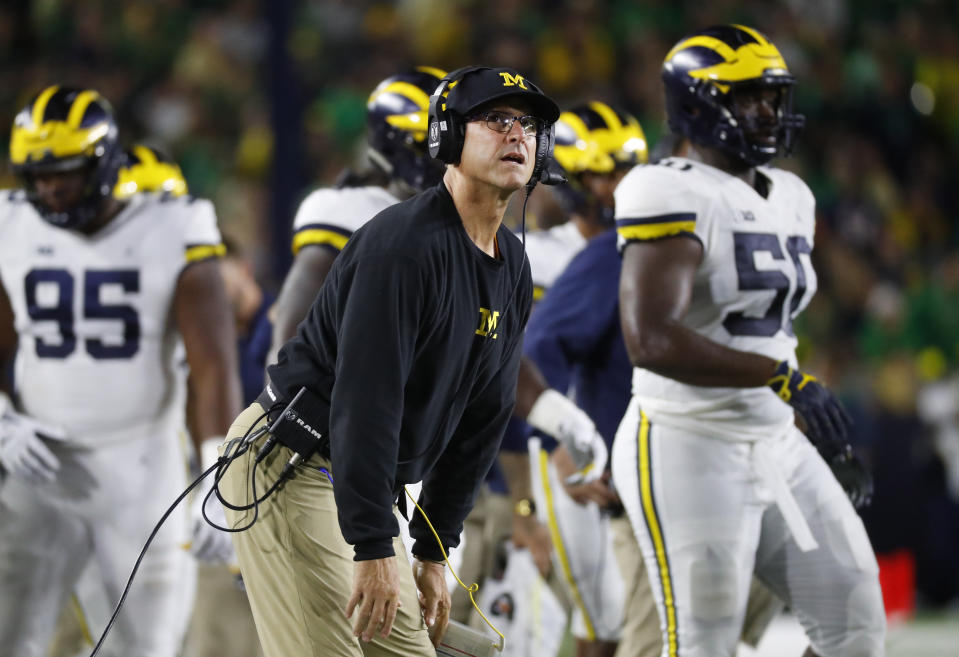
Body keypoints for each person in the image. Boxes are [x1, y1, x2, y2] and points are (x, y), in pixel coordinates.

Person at [217, 66, 560, 657]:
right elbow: (365, 400)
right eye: (496, 120)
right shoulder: (403, 245)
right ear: (448, 139)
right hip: (295, 464)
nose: (517, 135)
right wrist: (375, 543)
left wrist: (432, 548)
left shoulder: (512, 263)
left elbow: (485, 417)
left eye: (527, 124)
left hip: (351, 477)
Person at [611, 25, 885, 657]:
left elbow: (768, 327)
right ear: (698, 104)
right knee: (702, 644)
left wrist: (795, 403)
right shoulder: (666, 188)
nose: (766, 112)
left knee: (856, 624)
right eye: (747, 98)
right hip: (686, 439)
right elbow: (650, 339)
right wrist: (782, 379)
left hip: (774, 438)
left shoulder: (791, 194)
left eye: (771, 96)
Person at [0, 86, 241, 657]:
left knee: (146, 648)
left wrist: (216, 471)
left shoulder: (172, 224)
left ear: (105, 162)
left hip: (141, 466)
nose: (51, 189)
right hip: (40, 462)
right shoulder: (14, 225)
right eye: (38, 176)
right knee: (11, 637)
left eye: (65, 172)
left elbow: (212, 362)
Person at [269, 66, 447, 356]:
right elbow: (291, 345)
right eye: (434, 141)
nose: (450, 155)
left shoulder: (478, 228)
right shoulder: (350, 212)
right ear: (396, 145)